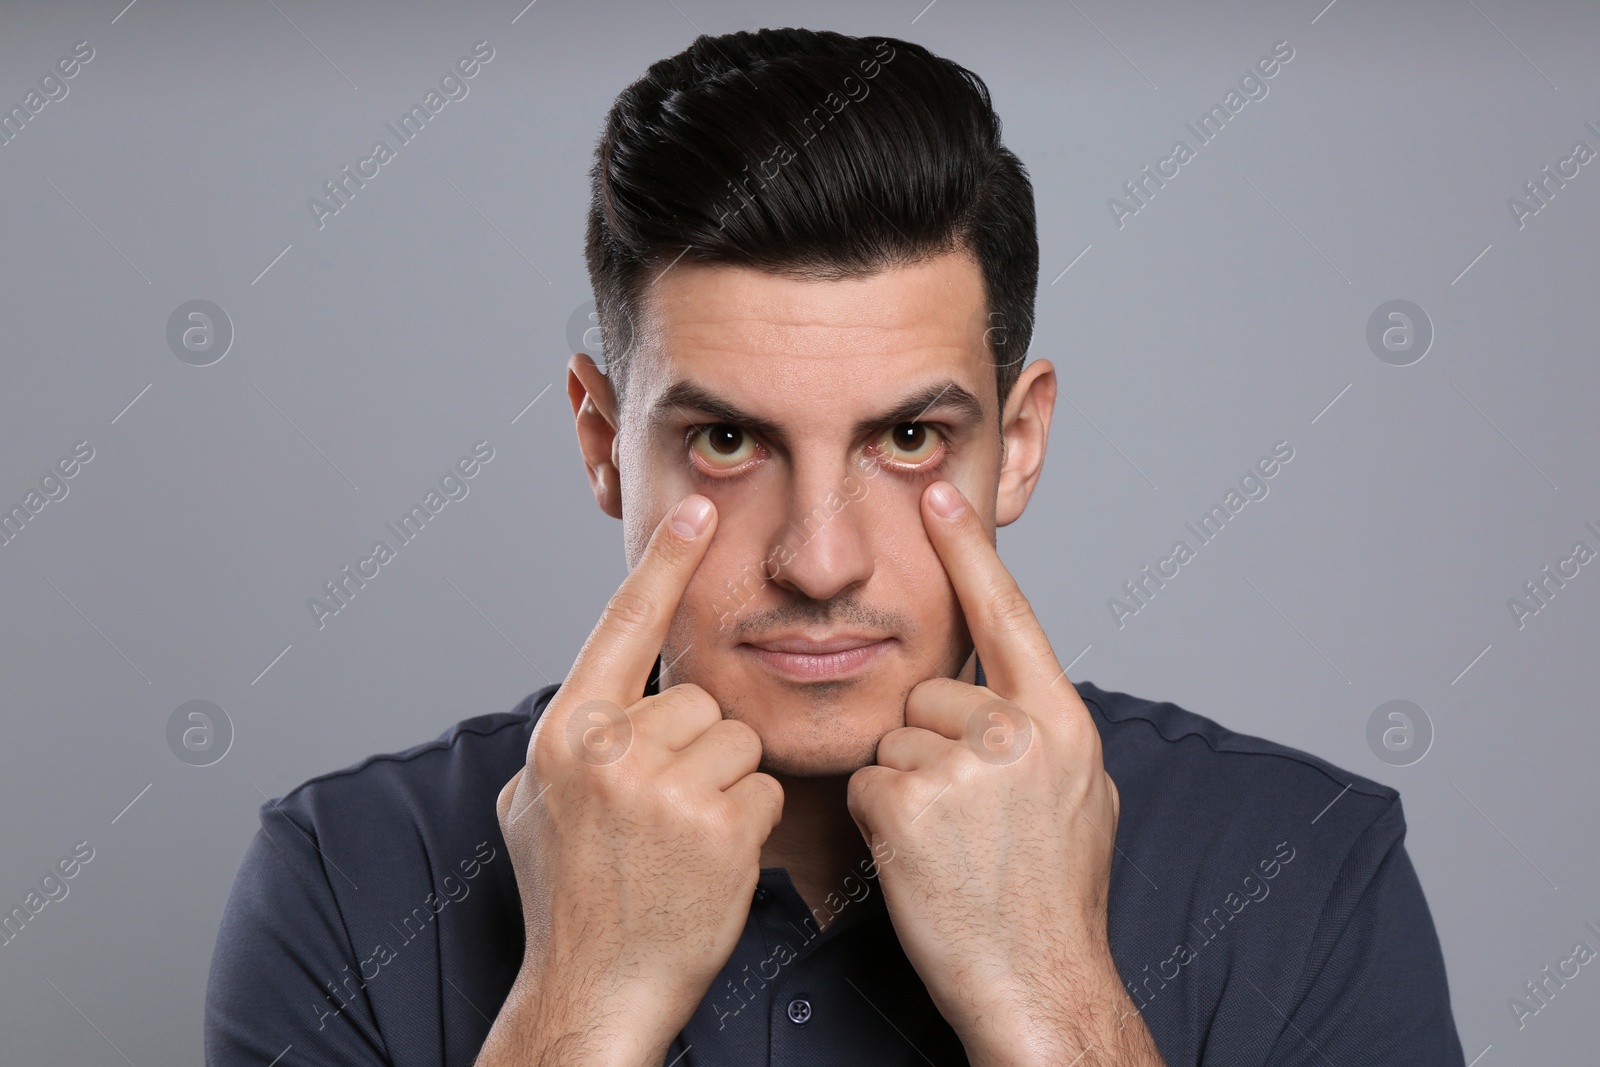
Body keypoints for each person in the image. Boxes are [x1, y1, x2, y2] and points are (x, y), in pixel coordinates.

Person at [205, 27, 1465, 1066]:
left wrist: (1052, 1000)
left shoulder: (1306, 866)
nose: (819, 563)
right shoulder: (347, 877)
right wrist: (582, 1003)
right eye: (727, 441)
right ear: (601, 441)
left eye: (909, 435)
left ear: (1017, 445)